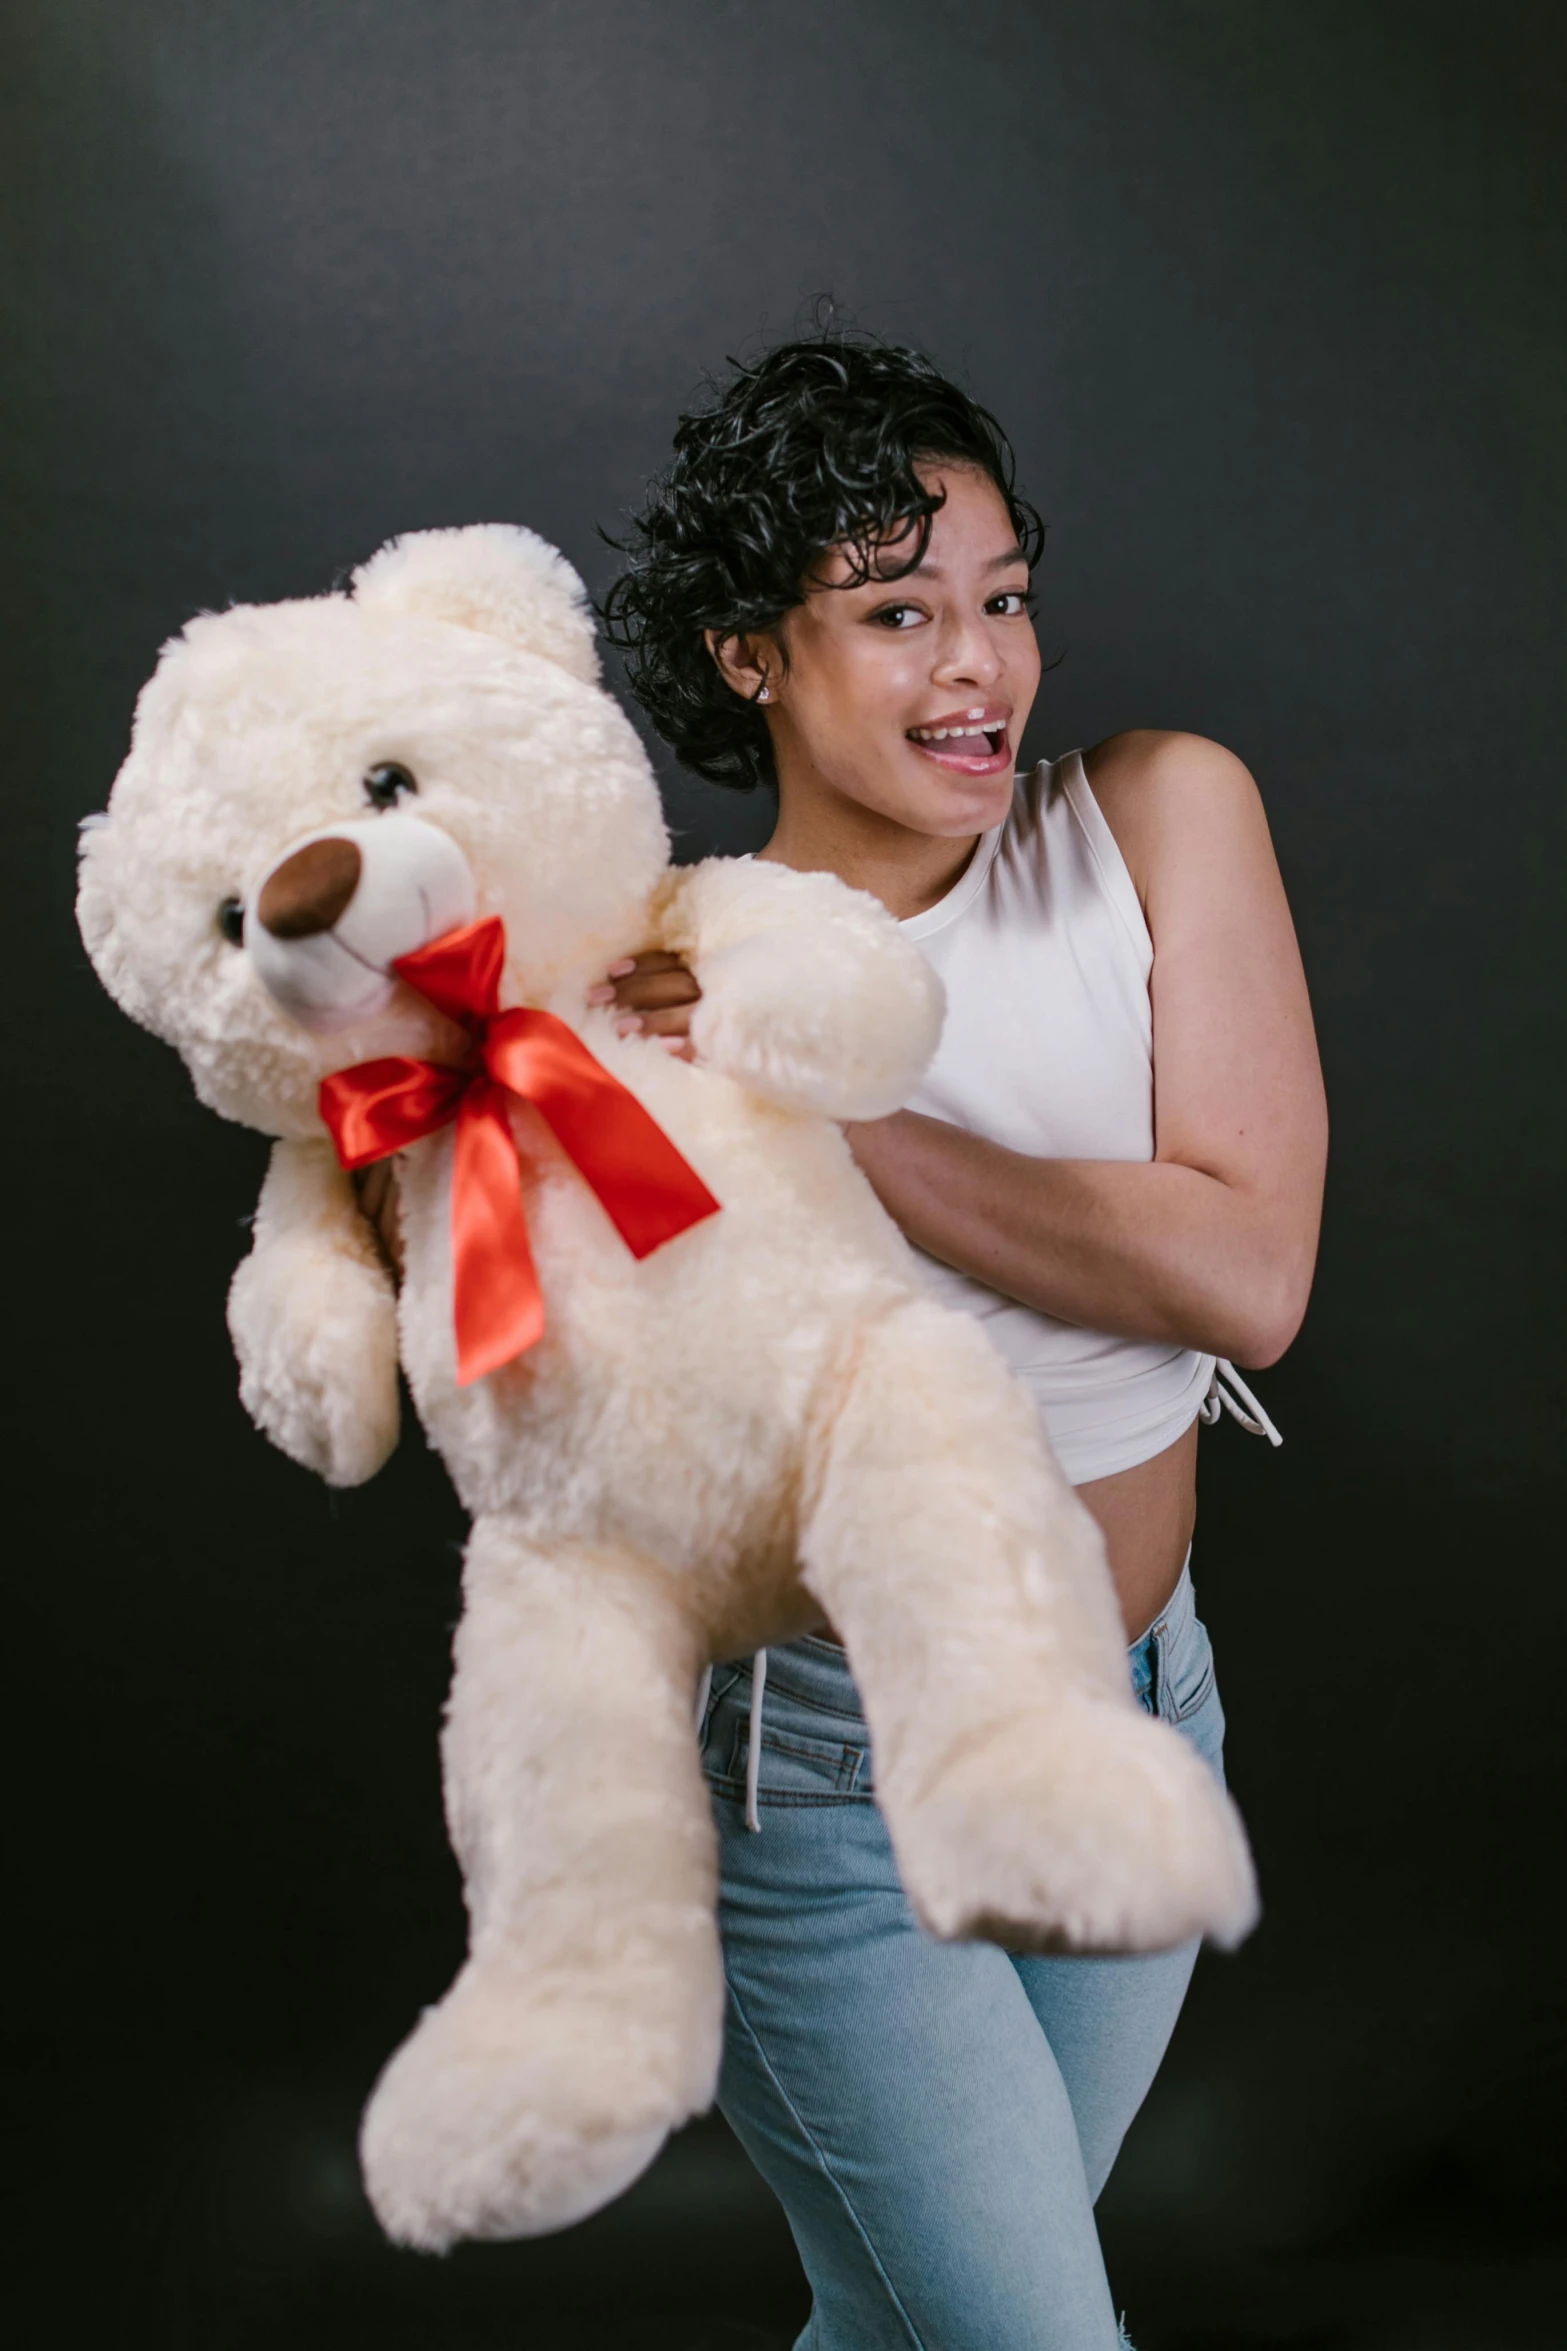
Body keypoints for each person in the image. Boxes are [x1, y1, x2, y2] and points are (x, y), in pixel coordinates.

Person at [592, 335, 1328, 2351]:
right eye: (897, 612)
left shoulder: (1162, 821)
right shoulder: (661, 966)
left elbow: (1248, 1271)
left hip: (1137, 1723)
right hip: (831, 1791)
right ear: (752, 653)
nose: (978, 667)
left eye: (1000, 599)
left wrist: (831, 1117)